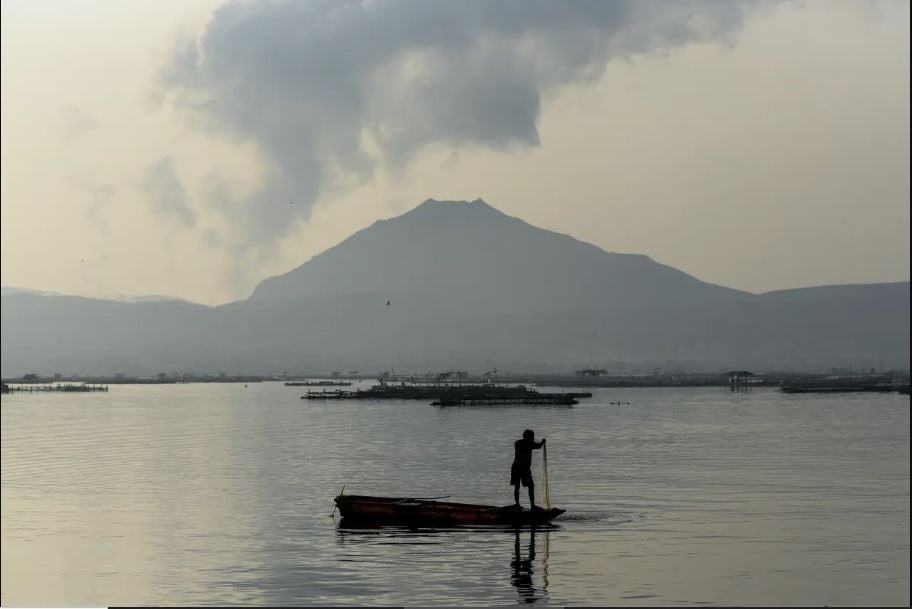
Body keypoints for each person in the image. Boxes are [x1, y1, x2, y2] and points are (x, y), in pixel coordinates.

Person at [510, 429, 545, 509]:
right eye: (532, 436)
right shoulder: (528, 443)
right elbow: (539, 446)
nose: (532, 438)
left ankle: (517, 505)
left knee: (517, 486)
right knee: (531, 486)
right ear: (528, 437)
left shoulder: (517, 442)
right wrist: (543, 442)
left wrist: (539, 443)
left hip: (516, 467)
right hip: (523, 468)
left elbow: (535, 445)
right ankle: (532, 505)